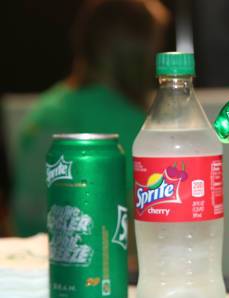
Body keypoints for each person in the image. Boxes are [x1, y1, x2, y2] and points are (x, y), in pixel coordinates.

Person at [11, 0, 169, 238]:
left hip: (28, 263)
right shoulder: (132, 123)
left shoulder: (43, 109)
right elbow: (147, 226)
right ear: (137, 54)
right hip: (99, 264)